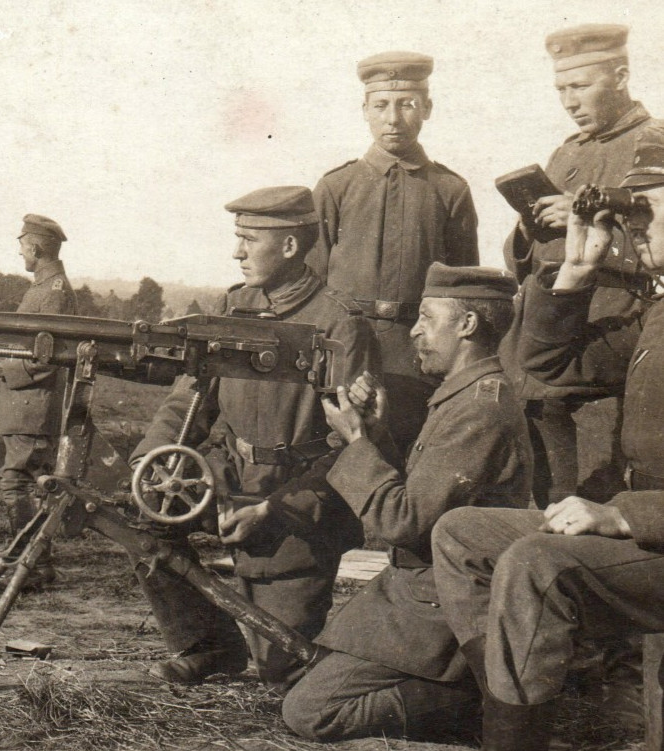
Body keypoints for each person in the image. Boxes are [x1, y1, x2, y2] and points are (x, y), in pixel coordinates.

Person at [431, 127, 664, 751]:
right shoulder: (656, 310)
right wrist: (576, 277)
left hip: (653, 527)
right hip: (649, 529)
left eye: (648, 208)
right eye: (630, 210)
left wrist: (622, 515)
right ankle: (512, 712)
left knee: (538, 564)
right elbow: (547, 368)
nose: (631, 226)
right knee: (463, 535)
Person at [130, 186, 380, 691]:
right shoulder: (232, 305)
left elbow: (347, 451)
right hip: (229, 479)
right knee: (143, 514)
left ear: (290, 246)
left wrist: (273, 510)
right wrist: (151, 462)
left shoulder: (339, 324)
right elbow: (188, 400)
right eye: (236, 238)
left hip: (296, 503)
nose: (237, 252)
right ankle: (212, 644)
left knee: (282, 671)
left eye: (248, 240)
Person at [282, 263, 532, 741]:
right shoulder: (461, 398)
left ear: (467, 325)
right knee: (309, 684)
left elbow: (403, 522)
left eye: (426, 317)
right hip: (421, 588)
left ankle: (475, 705)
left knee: (311, 713)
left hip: (444, 602)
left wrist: (356, 445)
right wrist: (376, 436)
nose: (414, 330)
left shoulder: (478, 410)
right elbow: (425, 500)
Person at [500, 24, 663, 508]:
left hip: (606, 355)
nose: (569, 101)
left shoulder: (653, 148)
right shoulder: (568, 153)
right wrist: (531, 230)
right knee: (539, 504)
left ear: (621, 75)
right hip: (544, 352)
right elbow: (527, 263)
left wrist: (592, 225)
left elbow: (656, 251)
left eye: (580, 86)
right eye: (561, 89)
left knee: (594, 500)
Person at [306, 51, 479, 456]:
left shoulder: (450, 190)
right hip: (344, 351)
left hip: (418, 356)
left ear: (428, 109)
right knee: (333, 460)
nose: (393, 118)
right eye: (381, 105)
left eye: (407, 104)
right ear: (365, 109)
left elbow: (463, 288)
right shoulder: (336, 187)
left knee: (405, 456)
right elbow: (312, 286)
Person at [0, 215, 76, 558]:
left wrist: (7, 369)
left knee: (15, 482)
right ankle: (34, 559)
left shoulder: (53, 293)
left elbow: (48, 357)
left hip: (32, 407)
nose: (20, 254)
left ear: (35, 248)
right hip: (27, 407)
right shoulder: (43, 288)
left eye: (23, 247)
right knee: (33, 481)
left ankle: (29, 563)